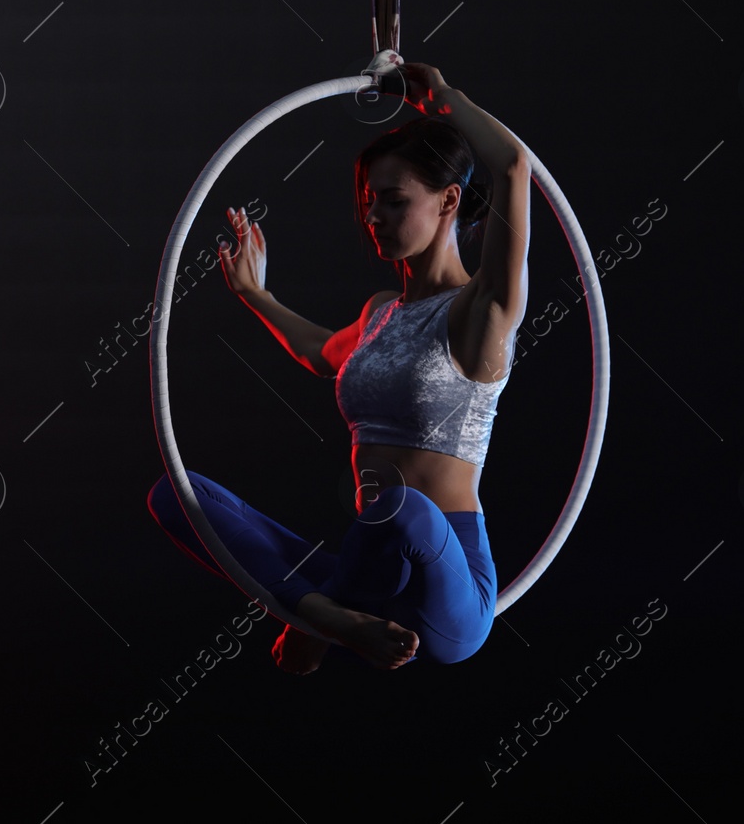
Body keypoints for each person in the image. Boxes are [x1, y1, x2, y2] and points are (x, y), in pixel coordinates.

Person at [146, 61, 530, 672]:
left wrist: (444, 100)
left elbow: (513, 166)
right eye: (367, 201)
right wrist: (256, 296)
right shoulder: (380, 312)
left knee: (401, 507)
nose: (372, 216)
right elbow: (325, 354)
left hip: (444, 582)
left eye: (393, 200)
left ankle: (311, 614)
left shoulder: (482, 310)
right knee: (177, 495)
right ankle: (329, 613)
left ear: (449, 201)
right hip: (363, 565)